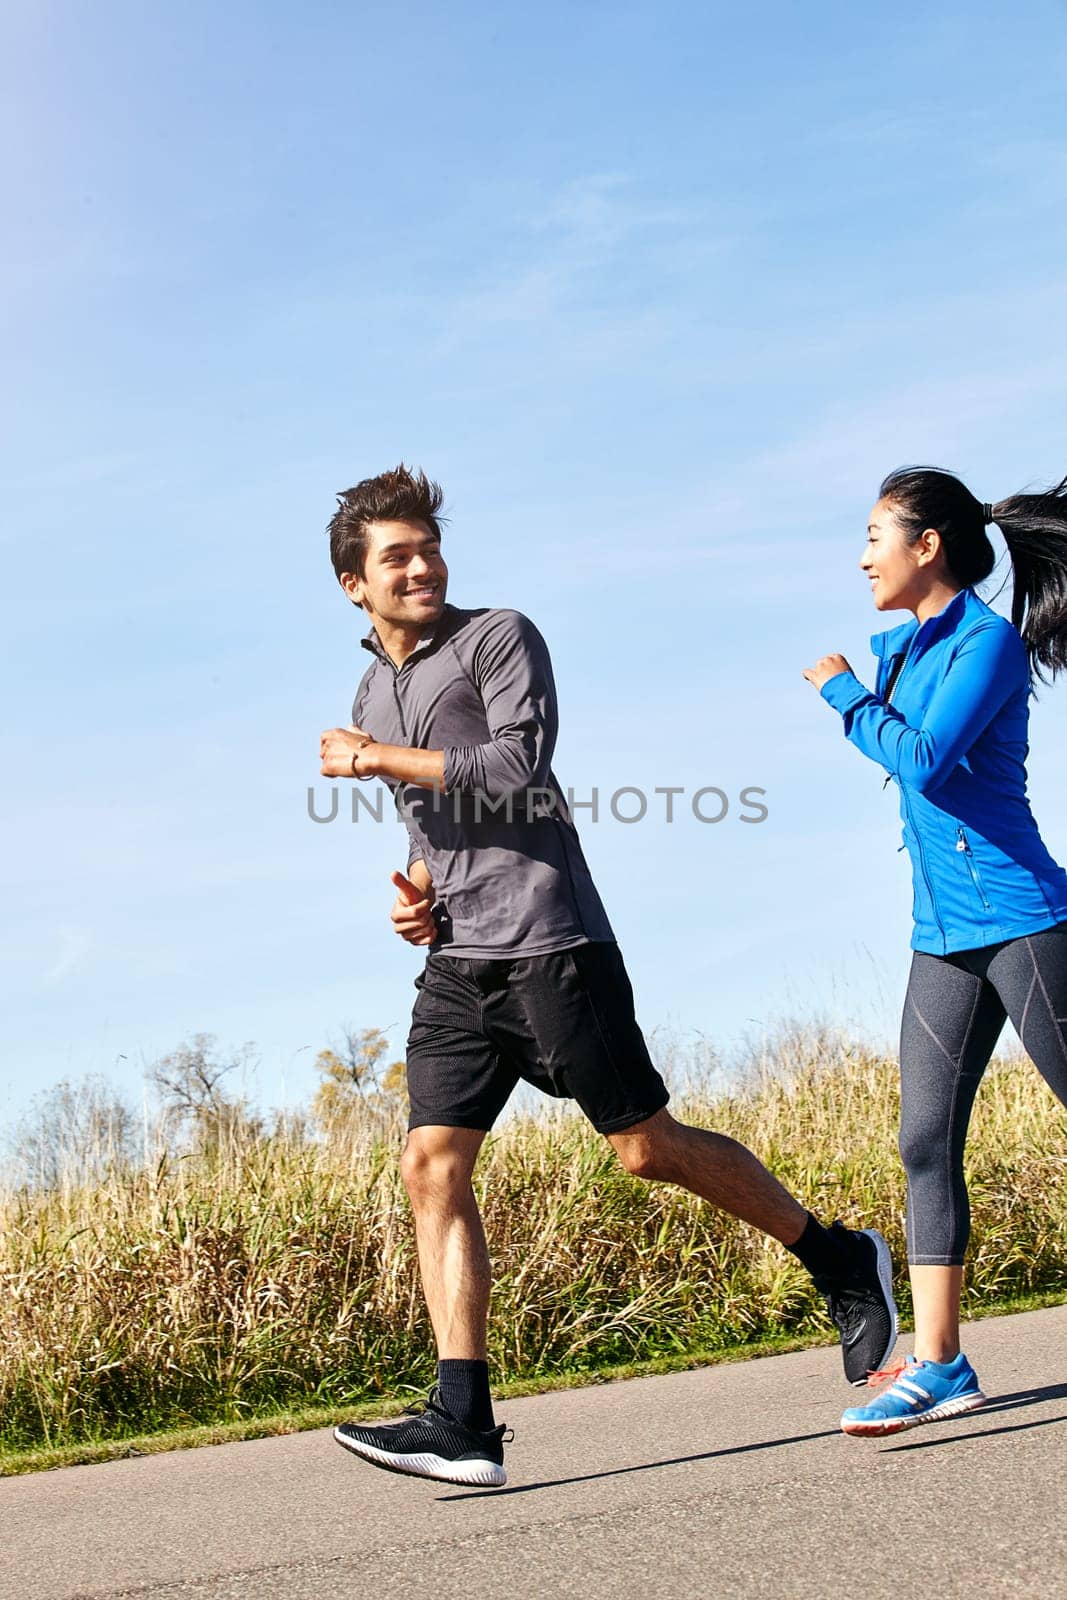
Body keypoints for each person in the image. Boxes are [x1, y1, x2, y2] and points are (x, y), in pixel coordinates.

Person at [320, 463, 897, 1487]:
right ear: (352, 586)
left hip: (551, 940)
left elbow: (514, 768)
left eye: (427, 548)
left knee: (641, 1148)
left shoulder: (497, 635)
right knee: (429, 1166)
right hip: (459, 961)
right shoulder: (374, 685)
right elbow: (431, 819)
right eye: (395, 556)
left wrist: (375, 759)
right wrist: (414, 889)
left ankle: (837, 1256)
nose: (420, 566)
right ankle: (462, 1418)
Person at [804, 466, 1067, 1438]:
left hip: (1023, 918)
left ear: (927, 546)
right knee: (922, 1141)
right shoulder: (906, 652)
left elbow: (924, 758)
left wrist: (840, 691)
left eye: (876, 532)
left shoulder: (985, 644)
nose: (861, 553)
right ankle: (939, 1361)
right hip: (940, 935)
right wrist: (864, 683)